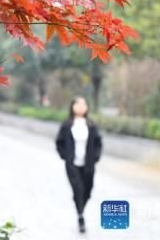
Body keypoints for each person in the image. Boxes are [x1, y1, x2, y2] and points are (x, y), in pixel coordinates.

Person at [55, 96, 103, 233]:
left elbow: (99, 143)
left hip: (88, 165)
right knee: (78, 189)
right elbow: (59, 142)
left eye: (83, 104)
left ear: (87, 107)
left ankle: (79, 202)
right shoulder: (67, 125)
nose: (81, 107)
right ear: (72, 107)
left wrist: (96, 157)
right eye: (78, 104)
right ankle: (81, 217)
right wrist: (65, 156)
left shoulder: (92, 125)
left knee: (87, 191)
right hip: (72, 164)